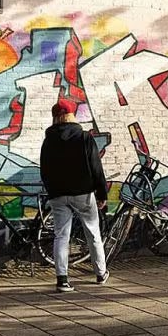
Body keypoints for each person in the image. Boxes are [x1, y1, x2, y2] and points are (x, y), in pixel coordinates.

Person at [40, 99, 109, 293]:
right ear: (72, 115)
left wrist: (52, 190)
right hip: (83, 193)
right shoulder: (84, 137)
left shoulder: (48, 140)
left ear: (55, 117)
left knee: (61, 236)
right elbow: (96, 167)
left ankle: (62, 280)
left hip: (58, 195)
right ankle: (100, 273)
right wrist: (101, 193)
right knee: (93, 233)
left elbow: (44, 169)